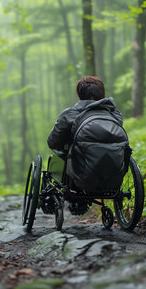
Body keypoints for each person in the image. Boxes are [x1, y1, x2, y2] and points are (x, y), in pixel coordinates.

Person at [46, 76, 124, 214]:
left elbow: (52, 142)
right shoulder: (115, 114)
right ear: (102, 94)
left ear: (79, 95)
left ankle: (75, 200)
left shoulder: (69, 114)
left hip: (78, 175)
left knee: (64, 153)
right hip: (112, 172)